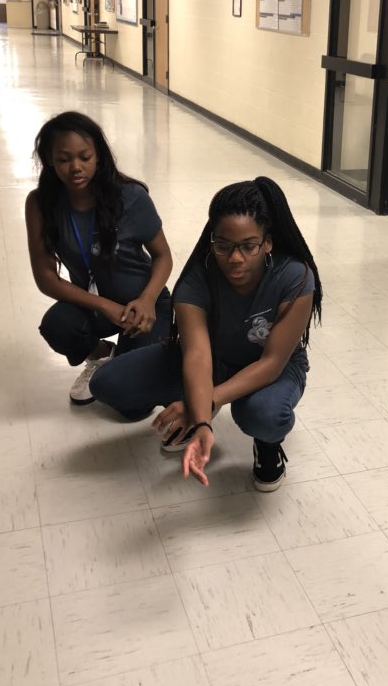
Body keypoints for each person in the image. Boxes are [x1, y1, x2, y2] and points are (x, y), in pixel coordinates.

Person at [90, 176, 322, 491]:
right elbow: (197, 355)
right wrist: (203, 418)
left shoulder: (295, 276)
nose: (235, 258)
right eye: (223, 246)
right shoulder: (196, 280)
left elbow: (272, 362)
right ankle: (192, 411)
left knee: (262, 414)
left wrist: (205, 404)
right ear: (212, 240)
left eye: (248, 247)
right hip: (213, 358)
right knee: (107, 383)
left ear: (268, 242)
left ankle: (267, 446)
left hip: (270, 367)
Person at [26, 111, 173, 405]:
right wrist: (104, 306)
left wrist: (147, 300)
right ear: (50, 160)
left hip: (143, 305)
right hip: (95, 305)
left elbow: (163, 257)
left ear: (98, 157)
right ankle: (101, 354)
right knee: (58, 324)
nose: (75, 167)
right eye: (64, 159)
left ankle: (134, 356)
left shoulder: (130, 197)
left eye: (85, 157)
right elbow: (46, 279)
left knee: (133, 406)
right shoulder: (41, 204)